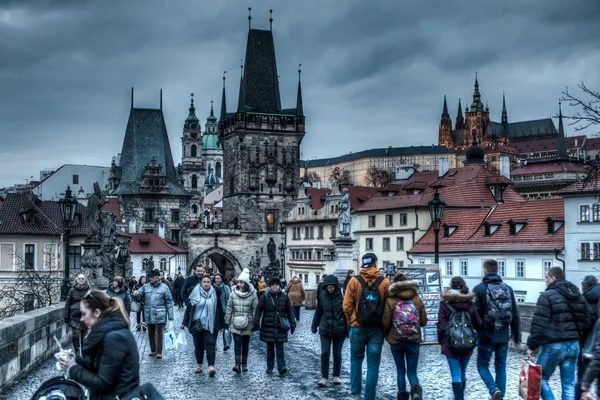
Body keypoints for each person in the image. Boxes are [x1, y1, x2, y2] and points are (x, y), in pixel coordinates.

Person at [58, 290, 140, 399]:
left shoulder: (114, 338)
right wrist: (74, 359)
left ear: (97, 312)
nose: (82, 319)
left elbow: (103, 382)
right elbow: (99, 367)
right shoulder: (108, 332)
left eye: (84, 313)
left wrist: (72, 368)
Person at [527, 267, 590, 400]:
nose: (545, 280)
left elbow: (539, 324)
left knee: (540, 378)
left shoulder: (547, 296)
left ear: (553, 278)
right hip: (574, 345)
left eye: (546, 277)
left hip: (553, 345)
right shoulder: (578, 296)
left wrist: (532, 346)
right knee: (568, 383)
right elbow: (586, 322)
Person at [342, 253, 390, 400]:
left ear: (363, 264)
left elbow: (346, 306)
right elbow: (388, 308)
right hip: (377, 329)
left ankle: (355, 390)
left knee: (356, 359)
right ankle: (369, 396)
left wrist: (352, 321)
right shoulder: (384, 282)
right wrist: (385, 326)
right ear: (376, 264)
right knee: (373, 364)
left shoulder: (354, 281)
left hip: (357, 327)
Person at [473, 259, 521, 400]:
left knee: (482, 365)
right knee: (501, 367)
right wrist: (516, 337)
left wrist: (478, 331)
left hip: (487, 335)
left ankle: (493, 389)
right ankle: (500, 397)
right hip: (503, 335)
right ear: (498, 270)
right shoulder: (508, 289)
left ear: (485, 271)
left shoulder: (480, 289)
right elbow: (515, 314)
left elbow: (474, 314)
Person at [382, 274, 427, 400]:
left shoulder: (391, 299)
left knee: (400, 370)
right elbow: (424, 320)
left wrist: (386, 333)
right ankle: (415, 393)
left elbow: (386, 320)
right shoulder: (416, 298)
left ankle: (402, 395)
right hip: (414, 340)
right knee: (412, 371)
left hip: (396, 340)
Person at [438, 277, 482, 400]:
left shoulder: (445, 303)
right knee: (462, 372)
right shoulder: (470, 303)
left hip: (450, 343)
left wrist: (442, 341)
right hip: (467, 343)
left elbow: (441, 325)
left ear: (451, 286)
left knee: (455, 373)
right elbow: (478, 323)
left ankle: (459, 398)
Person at [182, 275, 225, 376]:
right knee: (198, 345)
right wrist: (184, 322)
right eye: (204, 282)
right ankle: (199, 365)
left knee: (210, 344)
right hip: (197, 323)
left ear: (211, 283)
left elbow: (219, 309)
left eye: (208, 282)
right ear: (201, 283)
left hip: (211, 324)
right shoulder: (194, 293)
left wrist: (223, 324)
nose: (206, 284)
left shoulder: (215, 294)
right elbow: (189, 309)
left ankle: (211, 366)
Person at [253, 277, 296, 376]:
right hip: (268, 325)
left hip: (280, 326)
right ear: (270, 286)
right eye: (273, 285)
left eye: (276, 285)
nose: (275, 286)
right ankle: (270, 367)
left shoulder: (285, 296)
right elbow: (259, 309)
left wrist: (292, 323)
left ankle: (281, 367)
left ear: (279, 286)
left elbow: (289, 311)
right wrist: (256, 322)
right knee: (270, 348)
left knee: (280, 347)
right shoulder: (265, 296)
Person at [311, 275, 348, 388]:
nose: (330, 289)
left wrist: (348, 329)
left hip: (339, 328)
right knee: (325, 353)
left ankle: (336, 375)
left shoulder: (342, 296)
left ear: (335, 287)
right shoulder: (323, 295)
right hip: (325, 327)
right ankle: (324, 377)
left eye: (332, 287)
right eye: (328, 287)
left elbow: (346, 312)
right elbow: (319, 310)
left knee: (337, 354)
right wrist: (315, 324)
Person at [133, 269, 174, 359]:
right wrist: (136, 294)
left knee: (159, 333)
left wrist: (170, 315)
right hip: (149, 312)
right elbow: (139, 295)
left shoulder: (164, 287)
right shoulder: (146, 286)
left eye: (151, 277)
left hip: (160, 312)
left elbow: (169, 302)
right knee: (150, 332)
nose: (149, 279)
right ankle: (153, 349)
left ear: (157, 277)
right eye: (149, 277)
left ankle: (159, 351)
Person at [225, 268, 258, 373]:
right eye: (239, 282)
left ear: (246, 283)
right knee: (237, 343)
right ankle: (237, 365)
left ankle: (244, 364)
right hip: (235, 321)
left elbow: (255, 309)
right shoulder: (233, 293)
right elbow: (229, 307)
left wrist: (254, 321)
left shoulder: (253, 294)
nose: (239, 284)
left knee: (245, 344)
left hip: (247, 322)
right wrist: (227, 320)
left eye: (241, 282)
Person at [577, 275, 600, 399]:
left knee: (581, 384)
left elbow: (582, 327)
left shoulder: (584, 301)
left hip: (588, 351)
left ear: (584, 287)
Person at [64, 274, 90, 354]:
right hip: (74, 316)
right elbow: (67, 303)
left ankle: (84, 352)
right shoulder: (72, 290)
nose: (81, 280)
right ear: (76, 280)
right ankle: (77, 351)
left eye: (82, 278)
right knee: (75, 335)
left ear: (85, 280)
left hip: (85, 317)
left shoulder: (89, 290)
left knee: (84, 337)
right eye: (79, 278)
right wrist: (66, 315)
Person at [213, 273, 232, 351]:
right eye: (216, 278)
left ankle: (226, 344)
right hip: (215, 310)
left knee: (225, 327)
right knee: (215, 327)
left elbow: (229, 298)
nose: (217, 280)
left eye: (218, 278)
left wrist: (230, 309)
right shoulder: (212, 287)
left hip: (224, 309)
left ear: (222, 279)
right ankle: (214, 344)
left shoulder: (226, 287)